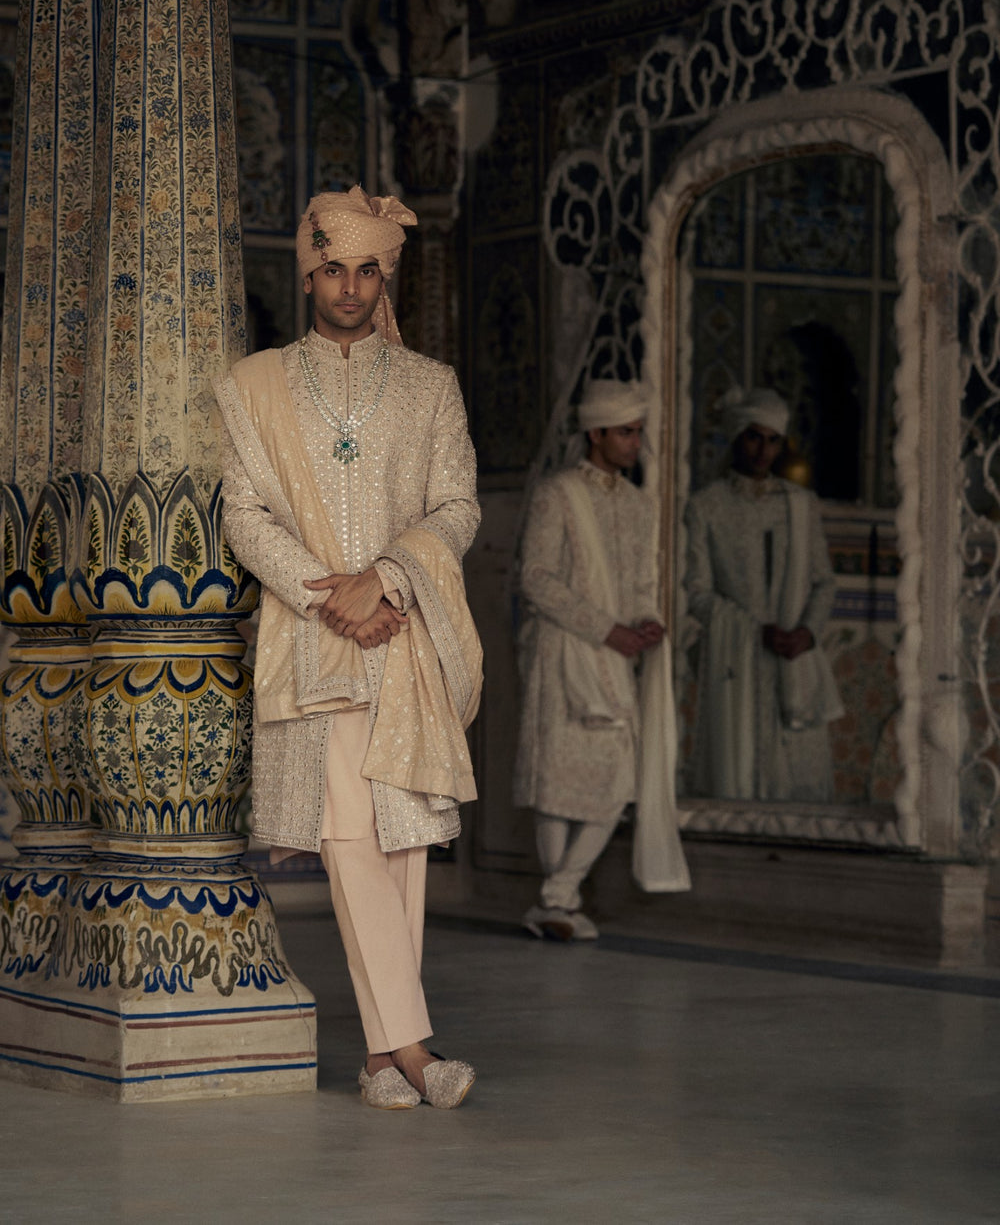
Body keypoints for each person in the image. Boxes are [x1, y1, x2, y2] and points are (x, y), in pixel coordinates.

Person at [215, 185, 482, 1110]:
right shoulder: (254, 385)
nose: (351, 288)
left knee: (402, 839)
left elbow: (458, 506)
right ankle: (414, 1049)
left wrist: (390, 579)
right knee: (348, 835)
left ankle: (379, 1061)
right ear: (308, 275)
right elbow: (243, 513)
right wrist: (331, 597)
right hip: (314, 640)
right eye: (334, 269)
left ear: (385, 278)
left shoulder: (430, 385)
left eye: (369, 270)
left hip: (403, 634)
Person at [513, 380, 689, 942]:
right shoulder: (558, 494)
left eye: (638, 432)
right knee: (556, 779)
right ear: (596, 434)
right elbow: (535, 578)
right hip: (563, 652)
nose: (636, 443)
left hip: (615, 657)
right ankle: (559, 901)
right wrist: (605, 629)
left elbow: (641, 582)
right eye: (627, 432)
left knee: (616, 780)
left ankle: (556, 897)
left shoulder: (638, 505)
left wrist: (646, 620)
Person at [684, 385, 842, 802]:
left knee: (801, 789)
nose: (763, 451)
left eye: (773, 441)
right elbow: (697, 593)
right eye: (754, 437)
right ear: (737, 436)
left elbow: (824, 582)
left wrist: (807, 633)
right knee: (741, 785)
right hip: (738, 665)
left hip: (794, 663)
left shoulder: (801, 504)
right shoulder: (706, 506)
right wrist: (752, 632)